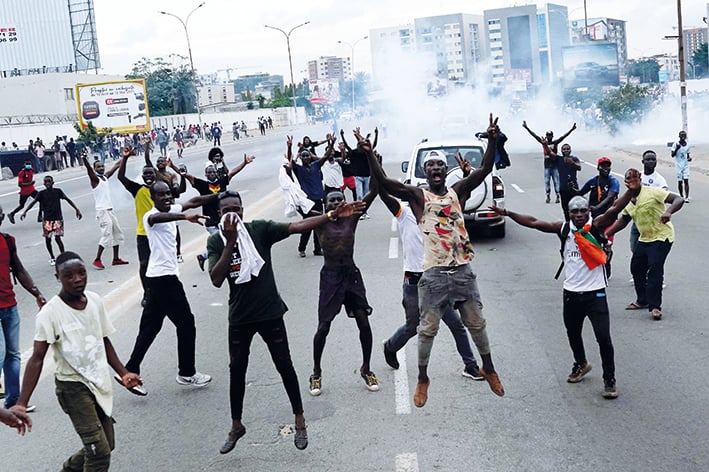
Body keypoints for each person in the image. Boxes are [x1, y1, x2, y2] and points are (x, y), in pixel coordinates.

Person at [206, 192, 363, 454]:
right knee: (237, 371)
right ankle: (236, 426)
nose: (232, 214)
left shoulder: (260, 230)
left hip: (270, 313)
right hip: (240, 318)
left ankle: (300, 420)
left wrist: (332, 215)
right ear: (218, 215)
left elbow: (296, 227)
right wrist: (230, 242)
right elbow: (215, 278)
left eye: (236, 209)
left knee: (285, 366)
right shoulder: (215, 241)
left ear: (243, 211)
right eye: (225, 211)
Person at [366, 114, 505, 407]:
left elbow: (485, 169)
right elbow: (385, 184)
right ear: (425, 172)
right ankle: (422, 378)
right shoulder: (417, 198)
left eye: (440, 164)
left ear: (446, 170)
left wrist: (492, 140)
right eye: (430, 165)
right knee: (426, 330)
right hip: (433, 275)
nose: (435, 168)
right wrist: (370, 157)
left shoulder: (459, 192)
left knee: (476, 324)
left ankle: (487, 368)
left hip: (462, 270)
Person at [489, 194, 633, 399]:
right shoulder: (564, 229)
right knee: (573, 334)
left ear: (589, 212)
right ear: (569, 213)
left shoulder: (596, 226)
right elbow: (534, 222)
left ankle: (609, 379)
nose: (580, 215)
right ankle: (581, 363)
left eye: (583, 210)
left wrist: (630, 191)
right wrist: (507, 213)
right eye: (575, 211)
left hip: (596, 293)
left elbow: (613, 210)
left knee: (603, 338)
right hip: (571, 293)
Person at [10, 252, 143, 471]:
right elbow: (36, 359)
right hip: (72, 388)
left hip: (99, 383)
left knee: (107, 444)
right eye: (68, 275)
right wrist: (22, 402)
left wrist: (123, 372)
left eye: (81, 273)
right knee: (98, 454)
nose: (77, 279)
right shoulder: (50, 313)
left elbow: (102, 339)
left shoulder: (94, 302)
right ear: (57, 278)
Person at [378, 176, 484, 381]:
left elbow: (460, 201)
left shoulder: (439, 215)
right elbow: (384, 193)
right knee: (413, 326)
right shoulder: (403, 213)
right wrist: (373, 167)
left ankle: (470, 365)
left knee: (456, 324)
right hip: (413, 280)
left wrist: (467, 179)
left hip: (436, 279)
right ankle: (390, 346)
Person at [123, 181, 215, 390]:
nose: (166, 198)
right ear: (153, 198)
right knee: (186, 324)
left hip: (157, 278)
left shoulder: (172, 208)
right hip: (164, 279)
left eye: (168, 194)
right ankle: (187, 373)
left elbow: (193, 201)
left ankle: (130, 369)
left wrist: (218, 196)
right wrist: (185, 217)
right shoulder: (151, 216)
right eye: (161, 195)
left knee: (150, 327)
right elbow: (158, 218)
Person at [308, 180, 378, 396]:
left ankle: (366, 368)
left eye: (340, 199)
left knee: (364, 323)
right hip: (330, 277)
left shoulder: (352, 218)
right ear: (325, 204)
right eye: (332, 200)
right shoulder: (320, 222)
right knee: (323, 328)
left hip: (351, 276)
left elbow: (374, 190)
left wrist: (370, 157)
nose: (337, 203)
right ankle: (316, 372)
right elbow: (300, 217)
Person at [606, 169, 684, 320]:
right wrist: (606, 234)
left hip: (662, 236)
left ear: (640, 178)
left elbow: (678, 199)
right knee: (636, 268)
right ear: (626, 182)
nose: (633, 180)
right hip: (645, 238)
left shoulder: (653, 192)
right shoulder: (629, 201)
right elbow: (623, 221)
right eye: (629, 178)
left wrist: (669, 212)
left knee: (655, 268)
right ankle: (642, 300)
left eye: (635, 177)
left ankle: (655, 306)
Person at [0, 204, 46, 413]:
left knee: (13, 354)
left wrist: (37, 293)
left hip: (10, 305)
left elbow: (18, 269)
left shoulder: (8, 241)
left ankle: (13, 400)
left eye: (0, 214)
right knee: (0, 354)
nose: (0, 217)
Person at [181, 154, 254, 270]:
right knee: (221, 239)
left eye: (213, 172)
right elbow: (188, 176)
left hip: (223, 220)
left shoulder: (222, 182)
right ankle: (211, 259)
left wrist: (244, 163)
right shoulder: (203, 185)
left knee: (226, 239)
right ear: (205, 174)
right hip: (210, 222)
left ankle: (204, 256)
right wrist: (177, 169)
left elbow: (233, 172)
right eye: (208, 172)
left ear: (216, 173)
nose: (211, 174)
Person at [117, 142, 156, 305]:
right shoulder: (137, 189)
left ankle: (160, 291)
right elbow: (120, 177)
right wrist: (124, 159)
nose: (148, 176)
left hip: (160, 233)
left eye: (151, 173)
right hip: (143, 234)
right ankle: (147, 293)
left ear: (155, 175)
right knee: (144, 264)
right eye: (145, 173)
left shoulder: (161, 188)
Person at [20, 175, 82, 265]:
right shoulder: (41, 193)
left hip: (57, 219)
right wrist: (25, 211)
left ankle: (63, 256)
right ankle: (52, 257)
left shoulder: (58, 191)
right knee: (48, 239)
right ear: (44, 184)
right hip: (47, 220)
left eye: (49, 181)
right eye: (46, 182)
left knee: (57, 238)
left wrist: (77, 209)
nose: (47, 183)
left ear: (53, 182)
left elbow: (67, 199)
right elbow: (33, 203)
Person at [573, 157, 619, 277]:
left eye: (608, 166)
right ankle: (595, 266)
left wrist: (598, 207)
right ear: (598, 167)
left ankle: (607, 266)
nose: (606, 168)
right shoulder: (593, 181)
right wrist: (571, 187)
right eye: (603, 166)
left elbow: (611, 196)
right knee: (594, 244)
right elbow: (580, 193)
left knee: (607, 245)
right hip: (594, 221)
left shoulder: (613, 182)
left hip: (609, 220)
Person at [82, 153, 129, 270]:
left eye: (102, 166)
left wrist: (125, 156)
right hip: (102, 211)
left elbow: (116, 165)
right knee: (106, 234)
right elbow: (89, 170)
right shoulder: (95, 179)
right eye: (98, 167)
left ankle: (116, 258)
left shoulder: (105, 178)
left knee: (117, 232)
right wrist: (84, 159)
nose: (101, 168)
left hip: (109, 209)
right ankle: (97, 259)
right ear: (95, 169)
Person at [522, 121, 577, 204]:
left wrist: (571, 130)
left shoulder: (555, 142)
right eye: (548, 135)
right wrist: (527, 128)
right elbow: (535, 136)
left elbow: (564, 136)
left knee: (556, 181)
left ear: (552, 136)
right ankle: (548, 195)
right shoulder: (544, 143)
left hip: (555, 165)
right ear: (546, 136)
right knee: (547, 181)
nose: (549, 137)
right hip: (547, 166)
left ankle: (557, 195)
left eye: (550, 135)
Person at [286, 137, 324, 257]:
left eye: (308, 156)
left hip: (318, 200)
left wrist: (331, 142)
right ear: (301, 158)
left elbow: (326, 157)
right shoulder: (299, 169)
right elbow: (290, 161)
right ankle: (302, 248)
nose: (306, 157)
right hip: (307, 202)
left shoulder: (316, 165)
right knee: (307, 226)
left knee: (318, 225)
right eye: (304, 156)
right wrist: (289, 147)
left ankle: (318, 249)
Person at [548, 143, 582, 220]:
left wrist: (572, 163)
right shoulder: (559, 159)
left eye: (567, 149)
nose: (566, 150)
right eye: (564, 149)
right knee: (566, 209)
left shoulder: (574, 158)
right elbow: (550, 153)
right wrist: (545, 145)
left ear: (570, 150)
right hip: (563, 189)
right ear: (561, 151)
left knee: (576, 208)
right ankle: (568, 224)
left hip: (574, 188)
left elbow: (579, 167)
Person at [7, 159, 39, 225]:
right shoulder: (22, 173)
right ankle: (11, 214)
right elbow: (20, 184)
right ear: (24, 165)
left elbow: (35, 171)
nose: (28, 165)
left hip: (32, 190)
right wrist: (30, 183)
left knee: (41, 199)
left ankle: (40, 215)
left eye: (29, 164)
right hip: (24, 192)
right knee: (21, 206)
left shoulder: (31, 170)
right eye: (27, 164)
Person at [670, 130, 691, 202]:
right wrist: (677, 149)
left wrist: (689, 158)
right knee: (680, 181)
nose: (683, 137)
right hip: (678, 165)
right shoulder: (675, 144)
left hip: (685, 165)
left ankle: (687, 197)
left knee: (686, 180)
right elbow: (672, 155)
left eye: (684, 135)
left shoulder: (688, 145)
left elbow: (688, 155)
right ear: (679, 136)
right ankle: (681, 196)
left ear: (685, 137)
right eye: (681, 135)